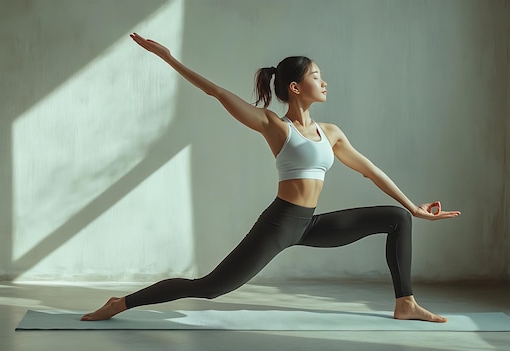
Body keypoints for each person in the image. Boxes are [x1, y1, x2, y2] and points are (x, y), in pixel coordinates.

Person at [80, 32, 461, 323]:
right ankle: (121, 303)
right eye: (317, 76)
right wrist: (168, 58)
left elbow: (370, 170)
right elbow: (216, 92)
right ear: (295, 88)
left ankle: (405, 302)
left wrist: (414, 206)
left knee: (397, 218)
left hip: (310, 225)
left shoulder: (331, 132)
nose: (325, 82)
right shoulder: (274, 125)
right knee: (210, 288)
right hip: (280, 223)